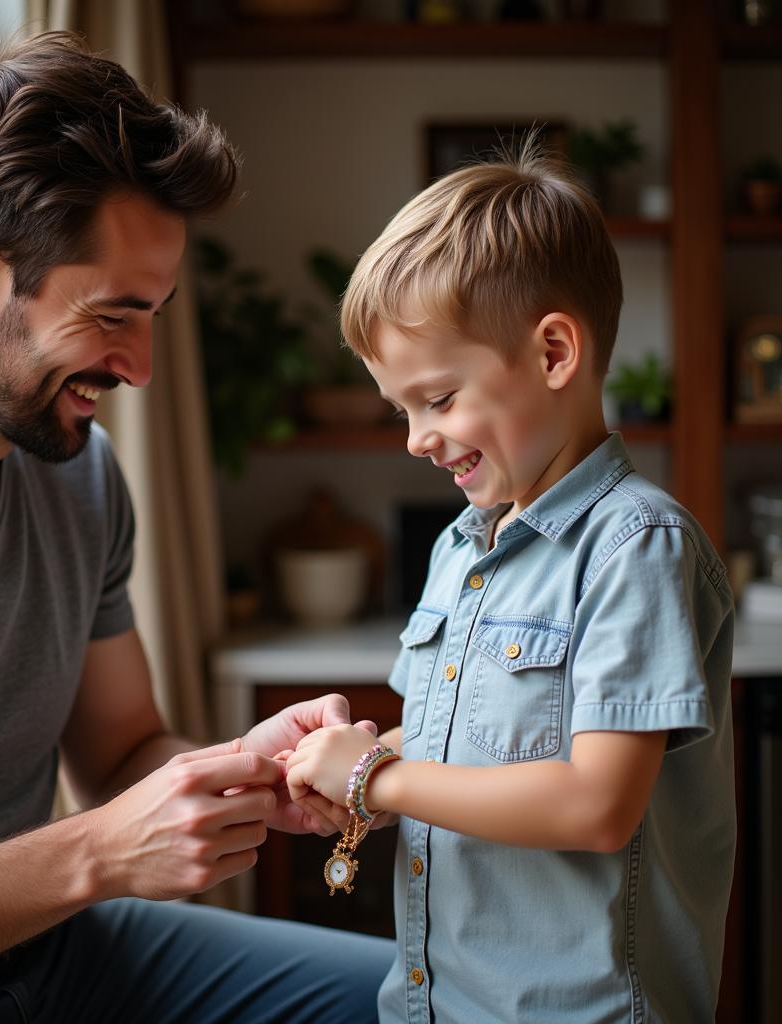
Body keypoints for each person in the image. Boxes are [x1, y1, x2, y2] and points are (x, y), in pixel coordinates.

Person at [0, 31, 392, 1023]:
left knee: (424, 1003)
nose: (139, 368)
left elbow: (121, 747)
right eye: (111, 317)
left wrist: (239, 775)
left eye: (153, 318)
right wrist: (93, 852)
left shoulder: (77, 471)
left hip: (52, 948)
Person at [284, 139, 736, 1023]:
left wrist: (378, 781)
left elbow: (596, 803)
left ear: (555, 352)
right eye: (401, 409)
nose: (416, 436)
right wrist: (356, 762)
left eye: (439, 399)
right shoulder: (463, 546)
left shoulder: (635, 548)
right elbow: (465, 746)